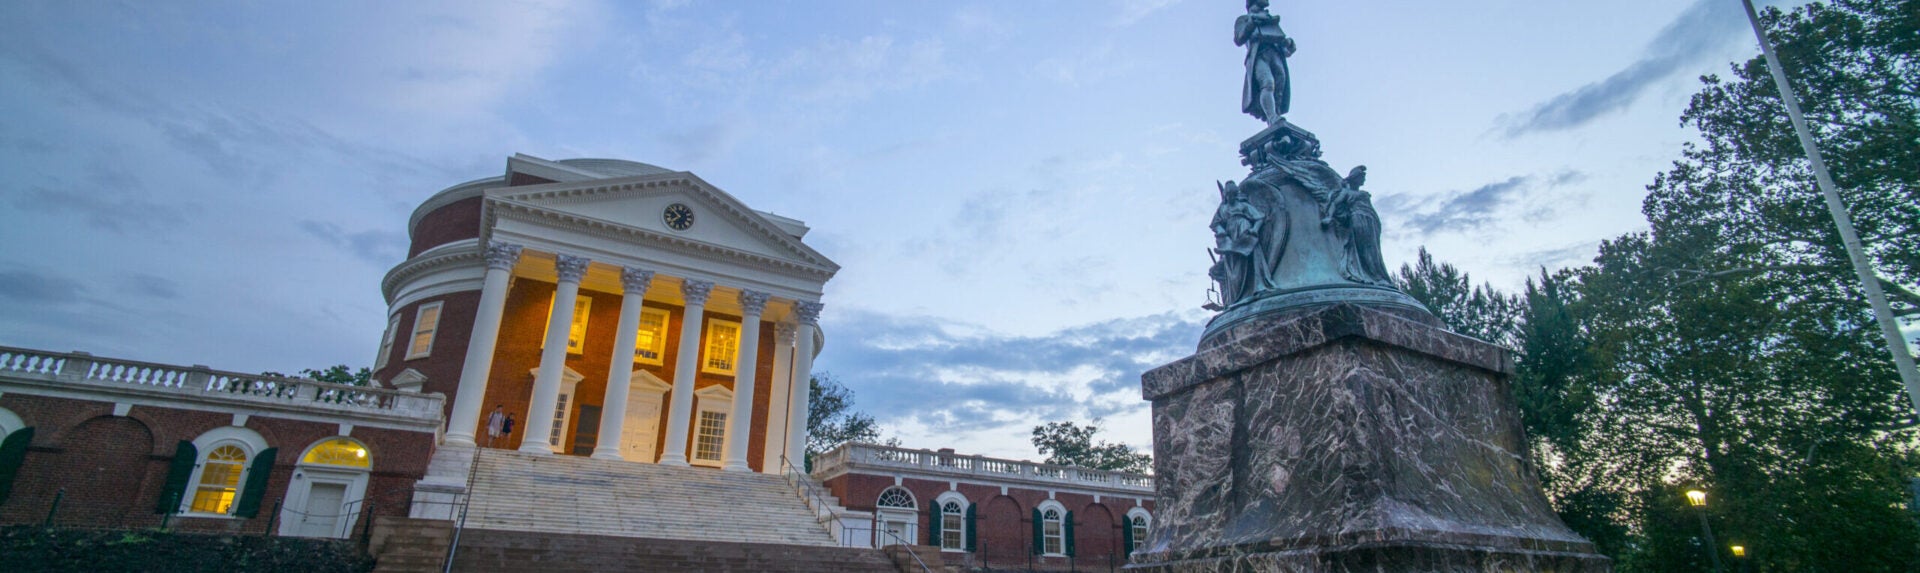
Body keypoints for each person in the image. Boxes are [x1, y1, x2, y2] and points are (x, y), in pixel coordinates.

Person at [1235, 0, 1295, 125]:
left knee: (1280, 85)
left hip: (1274, 54)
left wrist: (1288, 44)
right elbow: (1239, 39)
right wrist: (1252, 22)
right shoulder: (1243, 19)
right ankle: (1271, 117)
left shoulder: (1269, 19)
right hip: (1259, 56)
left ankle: (1276, 115)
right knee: (1267, 83)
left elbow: (1280, 41)